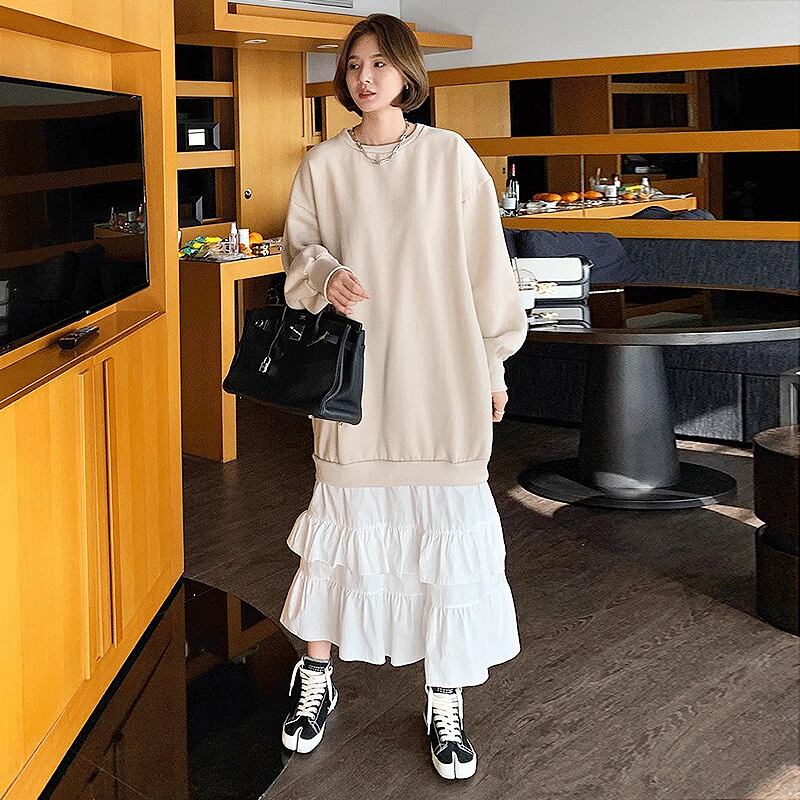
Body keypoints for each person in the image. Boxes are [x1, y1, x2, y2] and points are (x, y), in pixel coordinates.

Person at [278, 13, 528, 781]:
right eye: (355, 64)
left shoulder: (450, 157)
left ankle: (444, 697)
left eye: (380, 63)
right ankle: (316, 674)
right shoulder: (322, 165)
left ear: (408, 73)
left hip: (441, 375)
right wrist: (326, 276)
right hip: (354, 382)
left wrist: (495, 364)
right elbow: (297, 254)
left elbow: (488, 271)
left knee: (444, 532)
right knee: (341, 527)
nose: (365, 77)